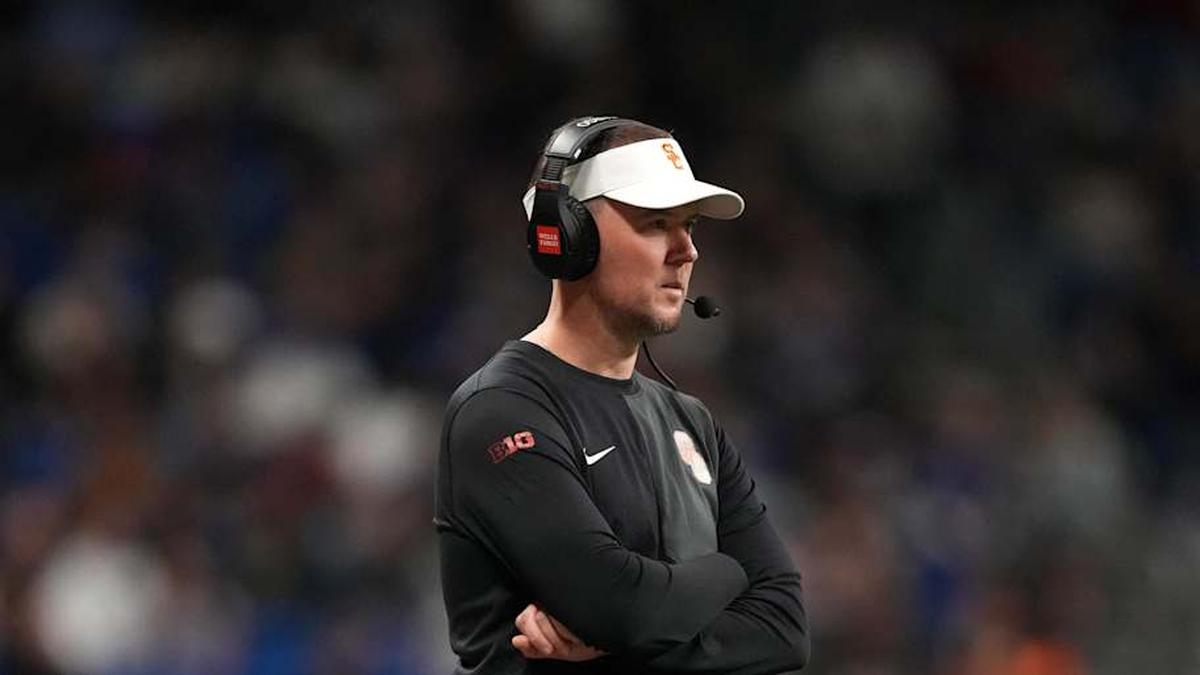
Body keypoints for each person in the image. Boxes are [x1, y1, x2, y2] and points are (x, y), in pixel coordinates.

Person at [435, 116, 809, 673]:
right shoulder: (501, 410)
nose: (686, 252)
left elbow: (785, 630)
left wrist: (634, 630)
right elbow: (624, 609)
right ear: (566, 233)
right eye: (656, 223)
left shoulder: (691, 420)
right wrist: (730, 573)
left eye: (689, 226)